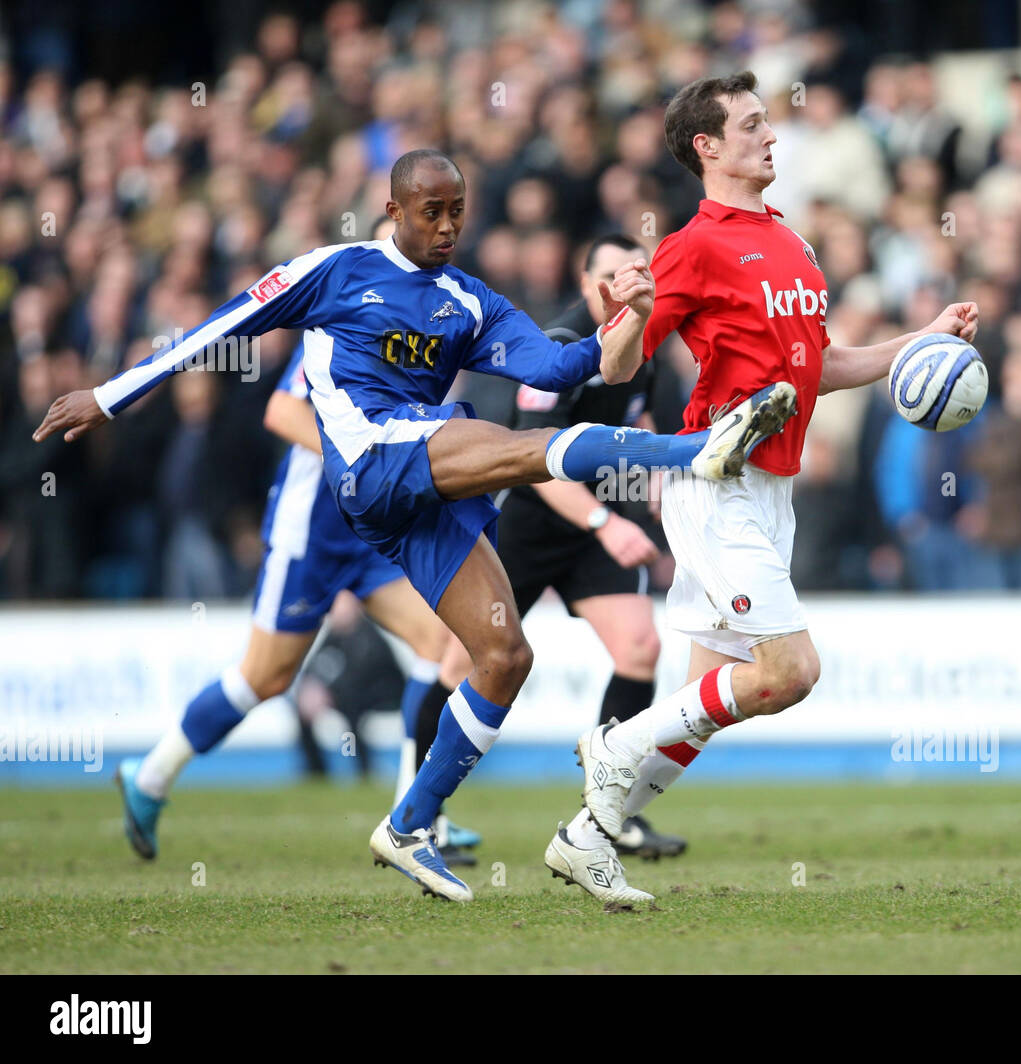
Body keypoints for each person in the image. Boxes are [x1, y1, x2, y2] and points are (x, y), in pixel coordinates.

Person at [34, 148, 796, 904]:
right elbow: (227, 322)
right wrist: (109, 394)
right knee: (517, 454)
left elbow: (559, 369)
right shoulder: (333, 272)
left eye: (457, 211)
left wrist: (624, 317)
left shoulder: (467, 301)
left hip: (417, 488)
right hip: (367, 464)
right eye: (431, 211)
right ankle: (700, 450)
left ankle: (409, 823)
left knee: (501, 654)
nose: (447, 226)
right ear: (394, 210)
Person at [547, 73, 979, 903]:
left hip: (771, 492)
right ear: (706, 147)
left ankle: (587, 837)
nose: (770, 137)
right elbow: (615, 367)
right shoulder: (692, 246)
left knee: (704, 705)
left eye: (767, 123)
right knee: (790, 671)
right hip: (718, 480)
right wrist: (632, 312)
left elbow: (821, 367)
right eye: (750, 126)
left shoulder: (791, 242)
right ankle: (614, 746)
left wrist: (919, 341)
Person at [112, 339, 461, 862]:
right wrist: (360, 455)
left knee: (441, 641)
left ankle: (411, 821)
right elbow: (281, 411)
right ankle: (152, 775)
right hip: (310, 535)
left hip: (370, 532)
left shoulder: (416, 335)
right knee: (264, 677)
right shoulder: (347, 328)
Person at [429, 234, 687, 863]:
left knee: (640, 648)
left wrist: (655, 478)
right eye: (612, 274)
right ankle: (422, 817)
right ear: (586, 282)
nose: (627, 286)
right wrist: (608, 523)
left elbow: (639, 415)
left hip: (595, 527)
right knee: (457, 666)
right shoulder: (562, 347)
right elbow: (531, 461)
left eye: (637, 274)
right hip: (534, 523)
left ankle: (607, 815)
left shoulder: (643, 340)